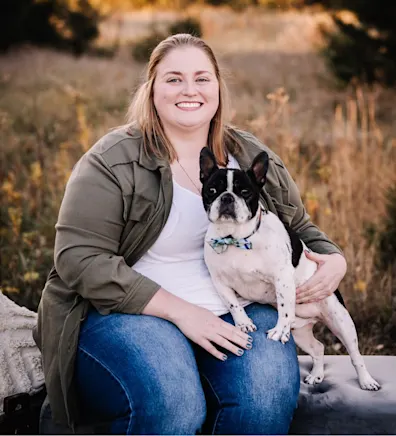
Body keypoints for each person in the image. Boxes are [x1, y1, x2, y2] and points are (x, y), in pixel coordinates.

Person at [33, 33, 347, 435]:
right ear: (151, 89)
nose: (189, 90)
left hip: (241, 306)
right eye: (173, 79)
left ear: (218, 87)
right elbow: (79, 258)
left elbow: (299, 226)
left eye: (202, 78)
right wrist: (183, 313)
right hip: (130, 313)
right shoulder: (112, 159)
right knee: (173, 404)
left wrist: (333, 259)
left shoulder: (247, 154)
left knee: (263, 398)